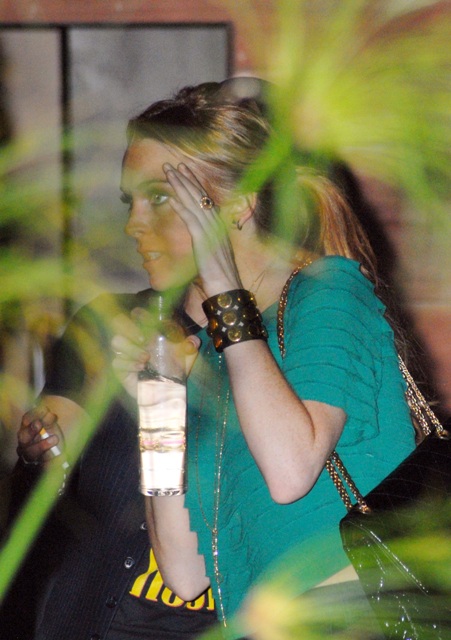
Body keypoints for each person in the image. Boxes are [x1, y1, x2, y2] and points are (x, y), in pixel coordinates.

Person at [107, 77, 416, 639]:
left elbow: (290, 470)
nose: (133, 224)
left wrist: (224, 293)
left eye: (160, 198)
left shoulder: (329, 291)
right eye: (132, 202)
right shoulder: (212, 354)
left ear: (237, 206)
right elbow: (184, 574)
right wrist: (158, 402)